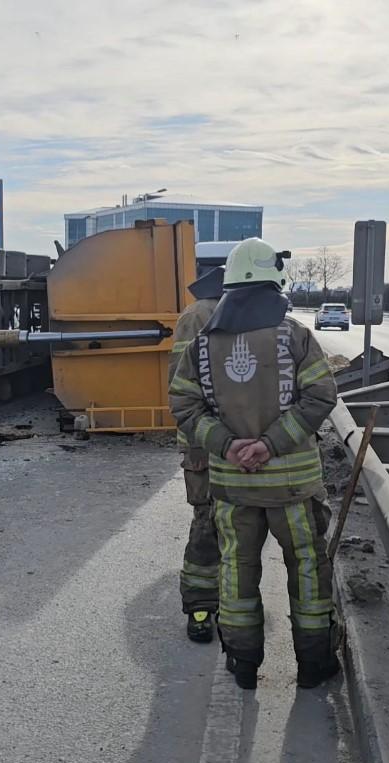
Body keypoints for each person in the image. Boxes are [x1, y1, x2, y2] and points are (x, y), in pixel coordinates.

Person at [168, 238, 339, 690]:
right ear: (275, 280)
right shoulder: (295, 335)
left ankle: (243, 665)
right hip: (294, 490)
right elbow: (321, 396)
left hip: (232, 488)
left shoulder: (201, 346)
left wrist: (228, 446)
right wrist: (270, 444)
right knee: (307, 568)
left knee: (237, 570)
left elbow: (183, 406)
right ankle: (313, 664)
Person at [168, 266, 226, 643]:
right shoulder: (199, 315)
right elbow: (181, 385)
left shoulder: (247, 310)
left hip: (241, 442)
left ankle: (229, 604)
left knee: (233, 526)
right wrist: (199, 440)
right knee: (208, 522)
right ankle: (202, 607)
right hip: (206, 440)